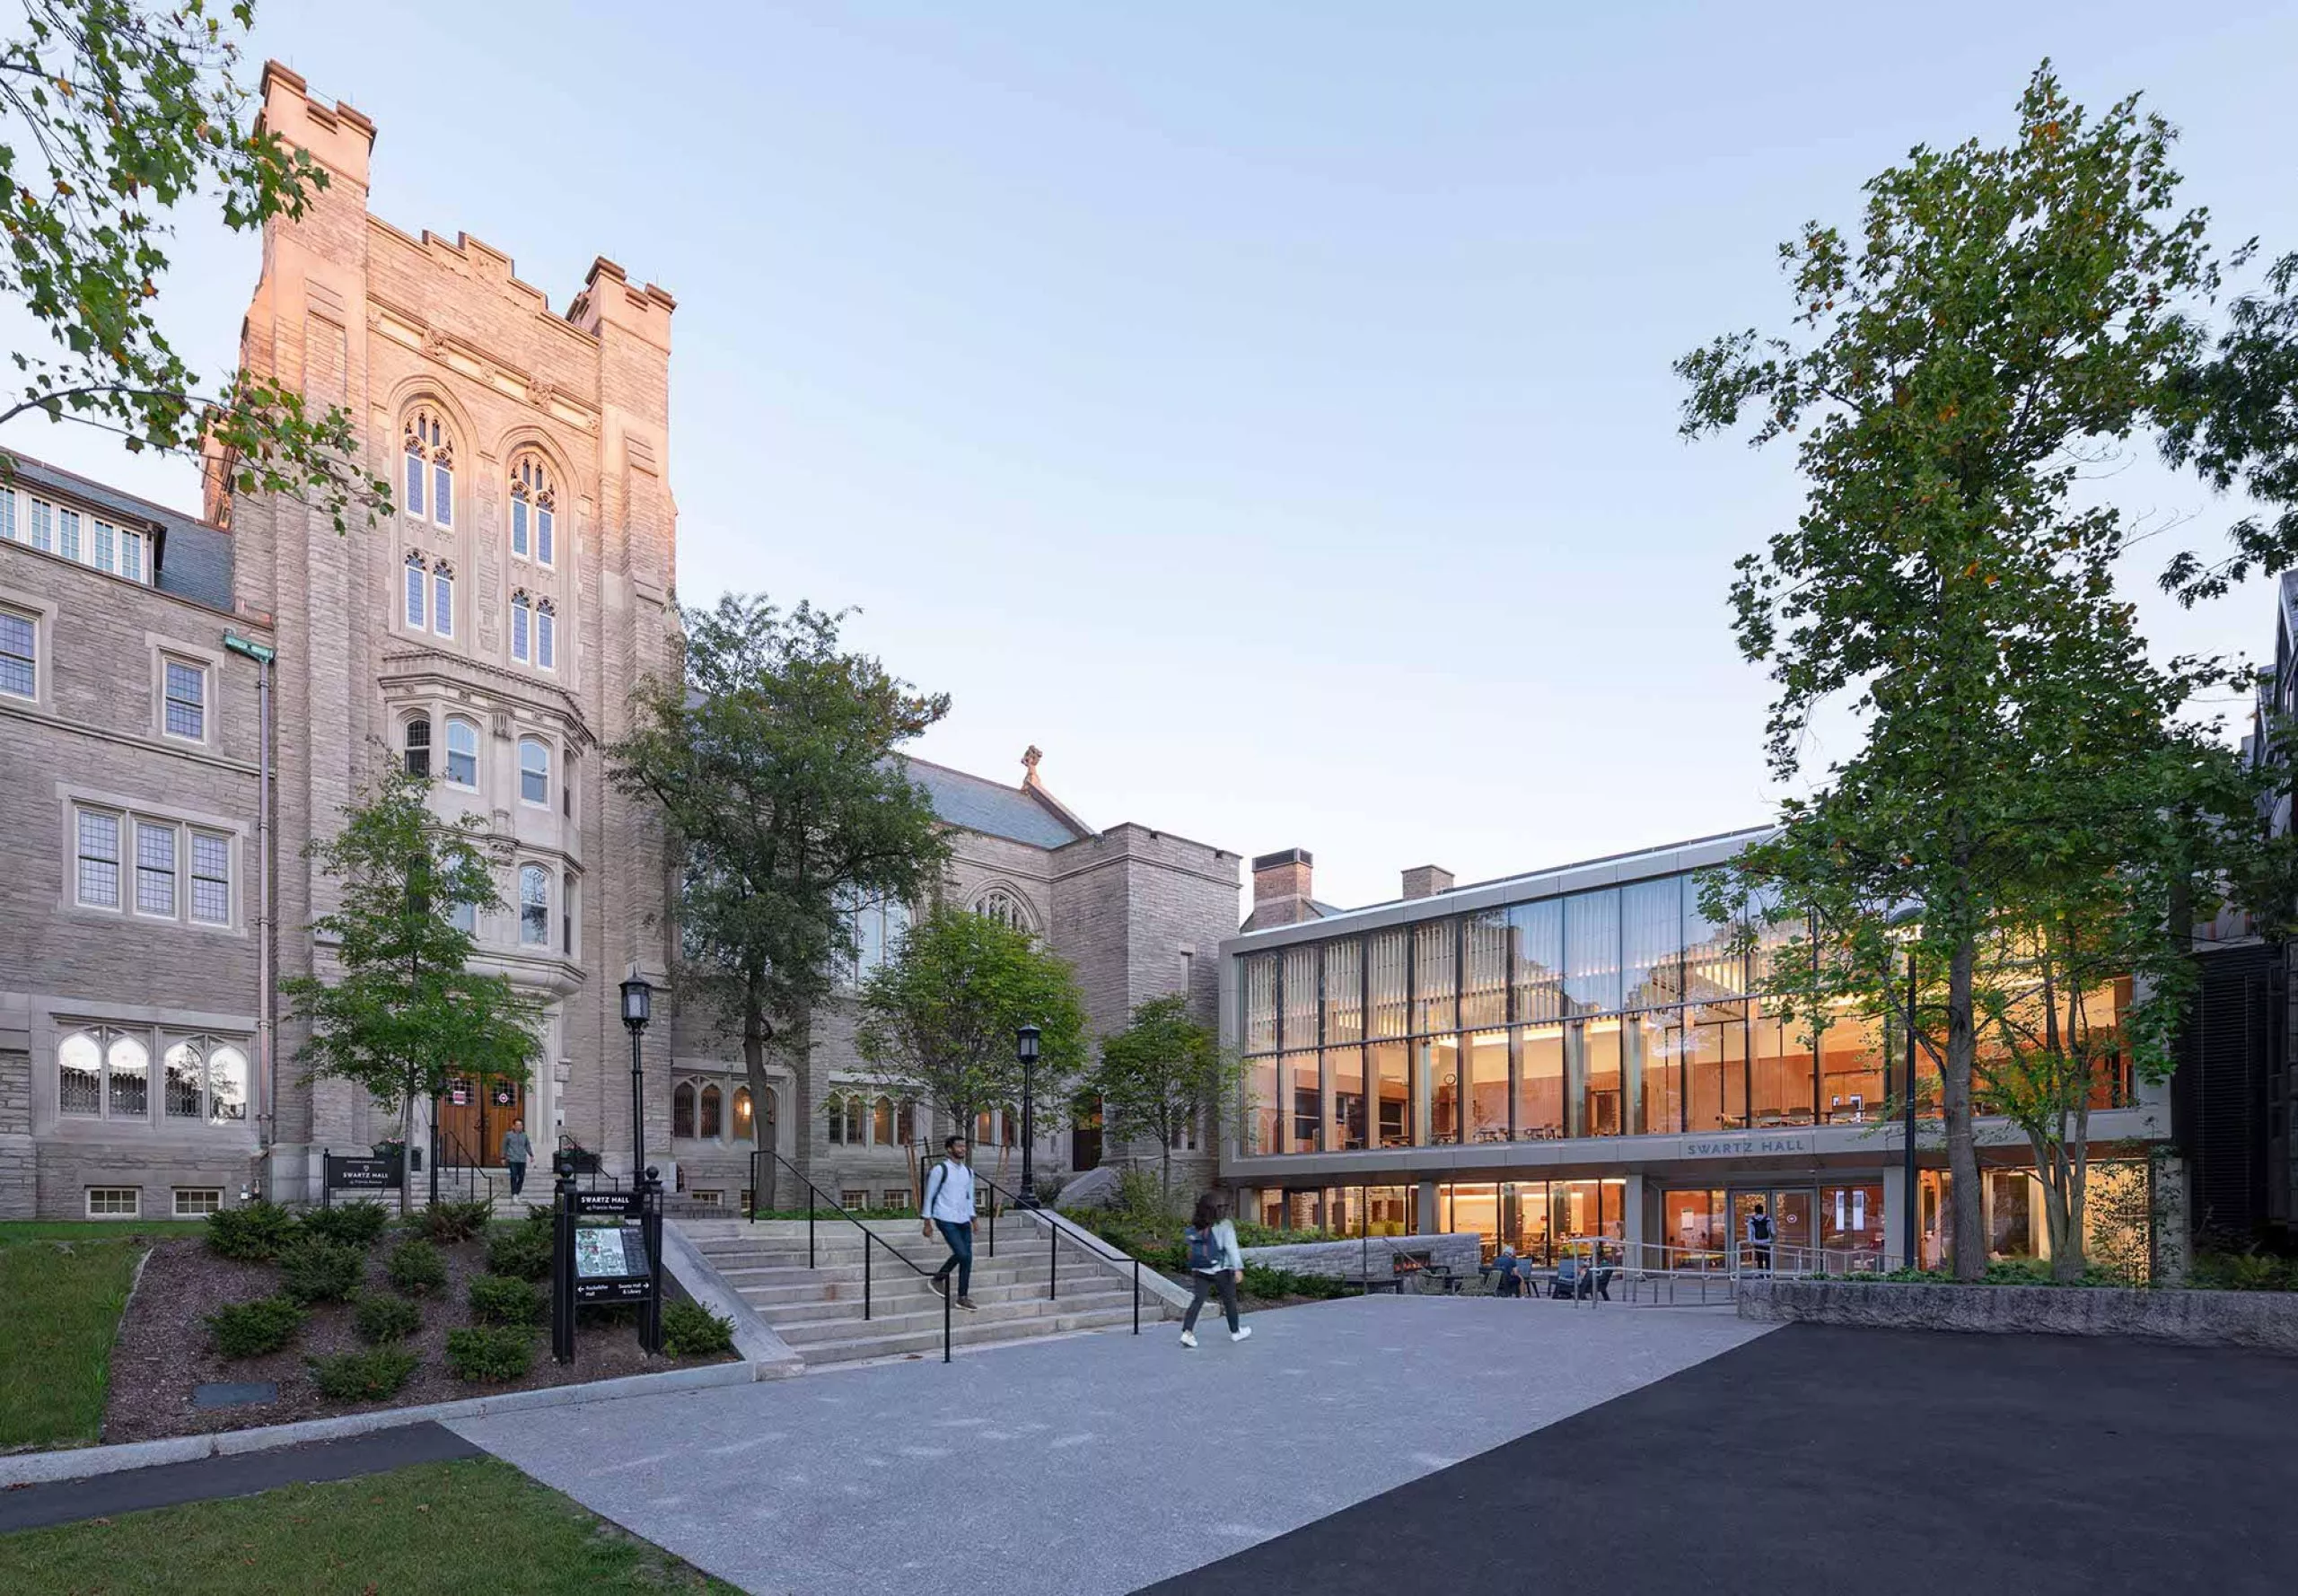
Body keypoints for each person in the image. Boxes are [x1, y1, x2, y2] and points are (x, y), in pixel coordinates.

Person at [1180, 1191, 1251, 1348]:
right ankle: (1235, 1331)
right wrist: (1238, 1268)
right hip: (1221, 1269)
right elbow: (1231, 1248)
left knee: (1197, 1300)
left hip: (1200, 1269)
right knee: (1229, 1301)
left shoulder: (1196, 1225)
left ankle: (1187, 1332)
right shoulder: (1224, 1225)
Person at [921, 1134, 978, 1311]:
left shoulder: (968, 1172)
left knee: (967, 1257)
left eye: (964, 1146)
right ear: (949, 1149)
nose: (962, 1149)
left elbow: (969, 1197)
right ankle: (939, 1278)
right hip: (944, 1217)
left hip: (963, 1219)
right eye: (958, 1146)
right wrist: (927, 1222)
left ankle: (962, 1297)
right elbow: (929, 1195)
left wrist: (973, 1219)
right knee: (962, 1254)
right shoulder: (940, 1170)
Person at [501, 1118, 532, 1199]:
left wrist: (531, 1155)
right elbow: (504, 1146)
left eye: (521, 1125)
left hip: (522, 1159)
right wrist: (503, 1157)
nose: (519, 1127)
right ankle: (514, 1193)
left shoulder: (524, 1135)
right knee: (514, 1175)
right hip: (512, 1158)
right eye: (517, 1125)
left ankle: (517, 1192)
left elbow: (527, 1145)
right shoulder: (508, 1135)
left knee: (521, 1176)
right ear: (513, 1126)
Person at [1746, 1202, 1773, 1272]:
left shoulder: (1751, 1220)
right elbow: (1773, 1232)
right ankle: (1768, 1273)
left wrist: (1750, 1242)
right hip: (1767, 1242)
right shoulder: (1769, 1219)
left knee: (1759, 1258)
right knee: (1767, 1258)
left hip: (1757, 1242)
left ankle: (1761, 1273)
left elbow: (1750, 1233)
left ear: (1756, 1211)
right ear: (1762, 1211)